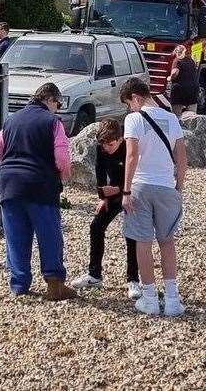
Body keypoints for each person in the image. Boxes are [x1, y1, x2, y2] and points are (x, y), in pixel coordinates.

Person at [0, 82, 77, 301]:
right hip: (40, 183)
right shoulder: (52, 122)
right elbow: (62, 158)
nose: (57, 108)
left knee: (15, 235)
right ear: (50, 99)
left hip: (9, 183)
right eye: (57, 103)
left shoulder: (12, 119)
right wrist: (64, 175)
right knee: (49, 234)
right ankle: (54, 284)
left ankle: (19, 284)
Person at [119, 77, 188, 317]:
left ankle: (149, 297)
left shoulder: (134, 119)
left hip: (140, 185)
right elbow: (181, 159)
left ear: (136, 98)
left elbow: (131, 156)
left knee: (143, 242)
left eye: (129, 103)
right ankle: (171, 298)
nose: (130, 108)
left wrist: (125, 191)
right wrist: (178, 187)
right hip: (166, 186)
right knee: (167, 241)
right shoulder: (171, 119)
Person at [69, 118, 139, 298]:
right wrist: (103, 196)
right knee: (96, 226)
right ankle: (94, 274)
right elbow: (99, 171)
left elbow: (135, 172)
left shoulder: (128, 147)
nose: (106, 147)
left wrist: (122, 190)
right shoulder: (101, 149)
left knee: (131, 233)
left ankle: (133, 279)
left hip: (132, 191)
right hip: (114, 191)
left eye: (110, 143)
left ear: (120, 139)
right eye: (103, 144)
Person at [167, 44, 199, 116]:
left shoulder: (177, 61)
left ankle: (178, 126)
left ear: (176, 52)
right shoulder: (191, 61)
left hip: (179, 91)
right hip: (192, 90)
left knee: (177, 115)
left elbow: (175, 72)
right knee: (192, 115)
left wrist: (170, 78)